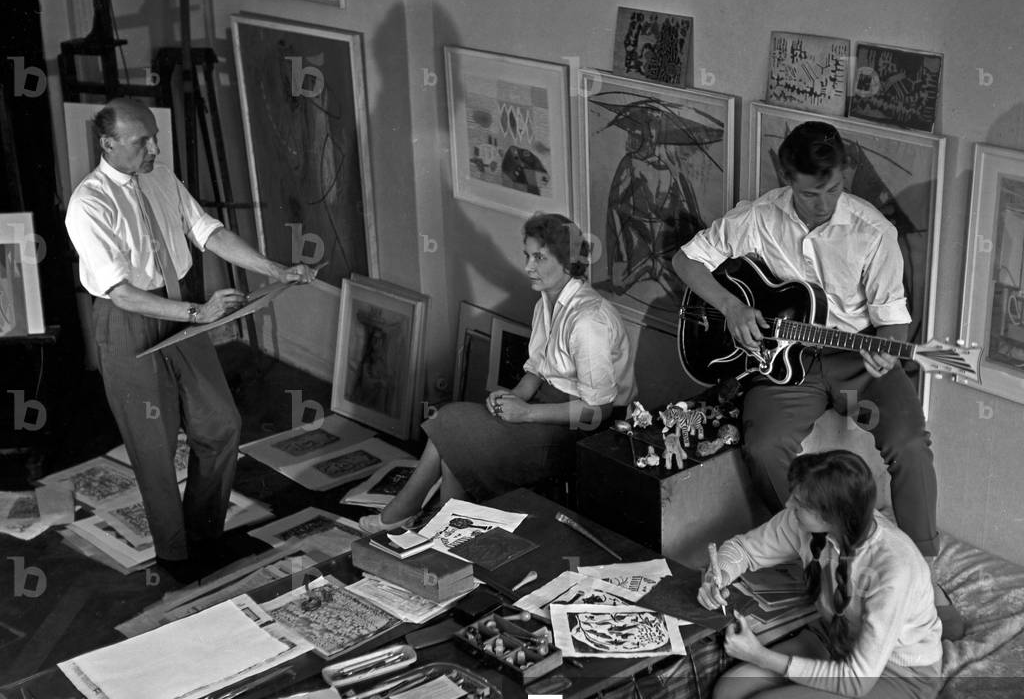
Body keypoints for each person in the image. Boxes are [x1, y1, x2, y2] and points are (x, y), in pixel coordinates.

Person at [671, 121, 963, 634]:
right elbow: (686, 260)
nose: (824, 202)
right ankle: (817, 556)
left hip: (859, 360)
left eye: (833, 189)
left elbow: (894, 319)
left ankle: (925, 574)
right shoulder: (757, 217)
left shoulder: (874, 232)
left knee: (909, 442)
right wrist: (733, 307)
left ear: (844, 174)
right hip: (787, 362)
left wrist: (888, 351)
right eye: (810, 193)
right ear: (787, 178)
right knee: (764, 444)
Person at [65, 98, 316, 582]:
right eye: (143, 142)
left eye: (155, 136)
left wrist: (275, 269)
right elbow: (122, 293)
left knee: (220, 424)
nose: (155, 148)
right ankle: (175, 559)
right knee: (153, 445)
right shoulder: (89, 203)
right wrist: (199, 313)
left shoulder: (160, 177)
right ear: (109, 144)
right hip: (130, 320)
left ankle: (204, 537)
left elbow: (209, 232)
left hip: (181, 310)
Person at [698, 449, 942, 699]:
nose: (790, 506)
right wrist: (719, 573)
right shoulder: (805, 524)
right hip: (835, 642)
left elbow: (858, 681)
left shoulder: (893, 567)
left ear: (833, 515)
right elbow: (743, 549)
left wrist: (760, 656)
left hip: (897, 680)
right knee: (728, 693)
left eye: (802, 504)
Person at [359, 213, 636, 533]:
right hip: (543, 409)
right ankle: (441, 527)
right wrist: (514, 396)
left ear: (567, 263)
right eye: (527, 256)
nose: (528, 267)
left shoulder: (588, 321)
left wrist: (526, 413)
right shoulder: (546, 302)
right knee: (454, 432)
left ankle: (419, 518)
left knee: (453, 429)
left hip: (577, 430)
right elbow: (538, 369)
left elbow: (597, 412)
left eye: (539, 257)